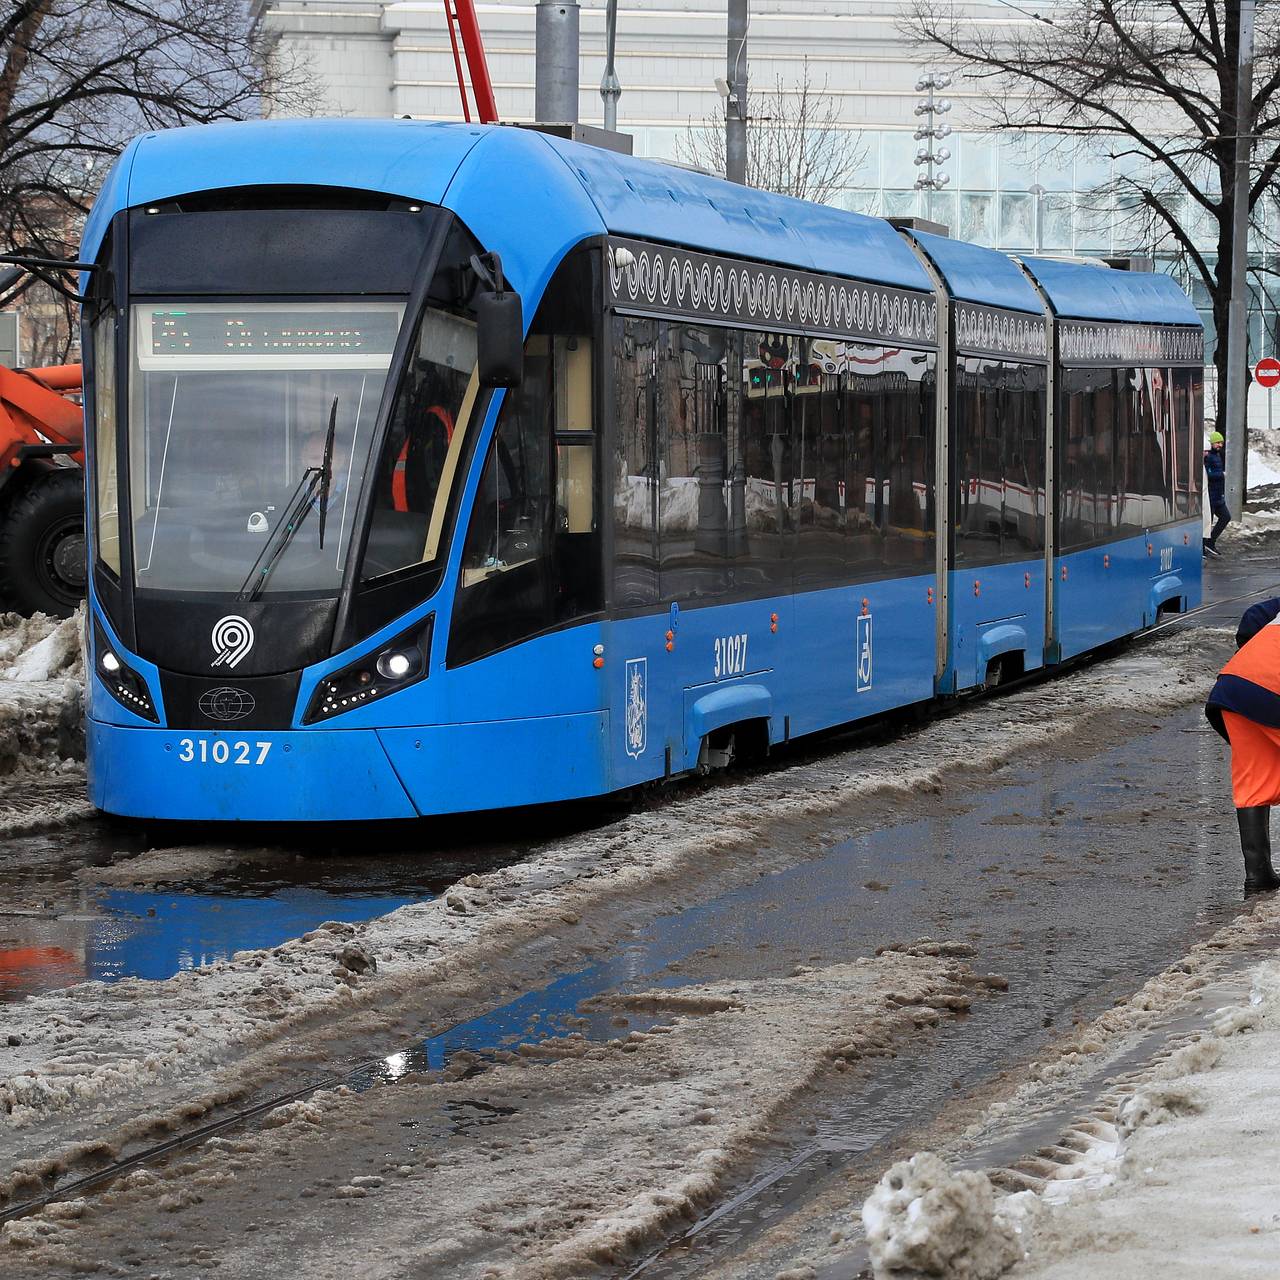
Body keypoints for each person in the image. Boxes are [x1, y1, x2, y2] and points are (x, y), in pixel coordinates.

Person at [1205, 607, 1280, 893]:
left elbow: (1252, 618)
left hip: (1234, 686)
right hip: (1272, 687)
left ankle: (1258, 876)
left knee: (1254, 782)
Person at [1203, 430, 1229, 557]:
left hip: (1218, 496)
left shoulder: (1218, 456)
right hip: (1211, 496)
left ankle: (1210, 541)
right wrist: (1221, 475)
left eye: (1221, 443)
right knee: (1208, 522)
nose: (1220, 445)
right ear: (1212, 443)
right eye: (1218, 443)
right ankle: (1203, 546)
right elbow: (1207, 475)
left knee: (1226, 517)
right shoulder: (1208, 457)